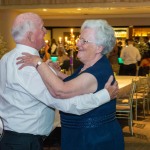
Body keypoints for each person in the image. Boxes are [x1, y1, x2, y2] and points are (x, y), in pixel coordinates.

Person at [0, 13, 119, 150]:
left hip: (92, 138)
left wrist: (52, 72)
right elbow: (63, 99)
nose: (45, 31)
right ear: (31, 36)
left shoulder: (7, 58)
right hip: (23, 141)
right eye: (42, 27)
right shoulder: (27, 65)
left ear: (99, 47)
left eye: (84, 40)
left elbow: (69, 85)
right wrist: (104, 95)